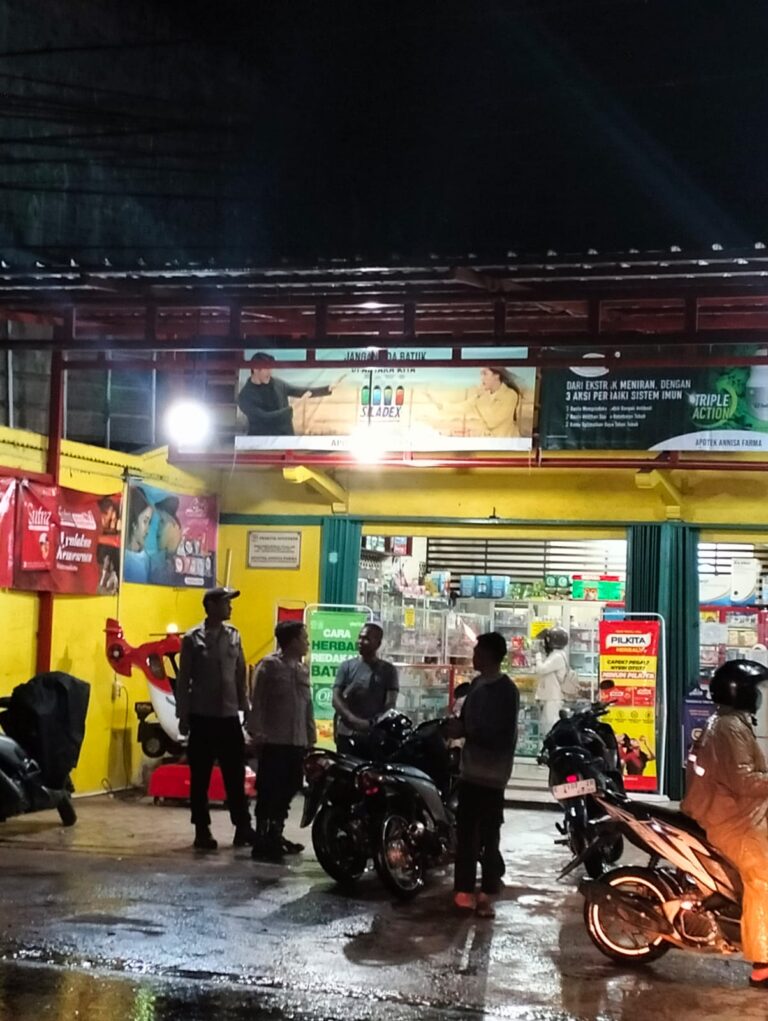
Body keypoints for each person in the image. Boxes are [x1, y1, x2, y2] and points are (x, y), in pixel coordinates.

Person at [681, 659, 768, 989]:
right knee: (763, 879)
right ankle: (763, 964)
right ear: (739, 692)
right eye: (754, 689)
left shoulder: (728, 722)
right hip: (733, 821)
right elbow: (744, 780)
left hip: (740, 813)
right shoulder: (729, 728)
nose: (758, 695)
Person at [444, 631, 519, 918]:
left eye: (477, 651)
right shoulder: (475, 685)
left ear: (490, 654)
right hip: (471, 771)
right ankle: (463, 891)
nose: (473, 656)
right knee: (466, 834)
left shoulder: (506, 691)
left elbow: (502, 734)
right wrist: (456, 728)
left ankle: (487, 892)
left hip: (492, 775)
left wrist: (466, 731)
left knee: (488, 834)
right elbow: (466, 721)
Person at [175, 587, 255, 851]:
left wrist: (245, 708)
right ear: (210, 606)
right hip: (202, 717)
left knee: (235, 774)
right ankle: (202, 829)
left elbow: (240, 675)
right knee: (201, 777)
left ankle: (243, 827)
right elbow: (184, 680)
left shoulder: (234, 636)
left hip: (228, 716)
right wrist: (183, 715)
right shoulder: (192, 638)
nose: (230, 607)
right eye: (225, 603)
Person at [248, 621, 316, 861]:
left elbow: (307, 707)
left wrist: (310, 738)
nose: (307, 643)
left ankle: (276, 833)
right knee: (269, 790)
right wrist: (256, 733)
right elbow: (257, 701)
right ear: (292, 641)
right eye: (304, 638)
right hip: (274, 740)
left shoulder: (302, 670)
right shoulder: (269, 667)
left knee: (290, 786)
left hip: (296, 741)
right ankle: (263, 837)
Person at [332, 623, 399, 755]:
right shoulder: (346, 667)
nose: (361, 642)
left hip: (375, 737)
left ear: (378, 644)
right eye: (360, 637)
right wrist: (352, 719)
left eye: (366, 639)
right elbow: (336, 699)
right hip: (347, 733)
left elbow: (390, 703)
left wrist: (372, 723)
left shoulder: (388, 670)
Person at [237, 352, 340, 436]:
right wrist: (293, 408)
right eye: (267, 369)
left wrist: (327, 389)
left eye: (271, 368)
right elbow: (265, 418)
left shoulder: (277, 384)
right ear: (255, 369)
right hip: (260, 444)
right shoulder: (245, 396)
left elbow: (300, 391)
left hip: (285, 439)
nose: (270, 372)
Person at [428, 366, 523, 438]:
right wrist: (441, 405)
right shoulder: (483, 396)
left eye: (485, 374)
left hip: (508, 444)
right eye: (481, 374)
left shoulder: (510, 395)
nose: (482, 378)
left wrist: (480, 398)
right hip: (491, 444)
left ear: (496, 375)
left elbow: (492, 421)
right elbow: (465, 406)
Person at [534, 627, 571, 738]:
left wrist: (538, 656)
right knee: (547, 724)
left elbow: (541, 669)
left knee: (550, 725)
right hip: (551, 696)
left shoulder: (557, 656)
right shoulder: (557, 654)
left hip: (553, 697)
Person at [124, 486, 153, 583]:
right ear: (134, 523)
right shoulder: (120, 557)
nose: (148, 530)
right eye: (145, 521)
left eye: (149, 522)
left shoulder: (146, 560)